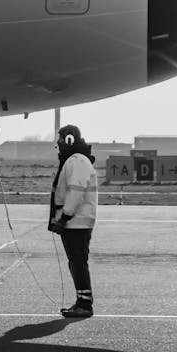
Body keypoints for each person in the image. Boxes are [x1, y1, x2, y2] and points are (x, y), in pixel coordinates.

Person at [48, 124, 99, 318]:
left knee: (78, 262)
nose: (59, 146)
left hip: (77, 222)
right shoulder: (74, 160)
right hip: (75, 221)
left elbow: (76, 191)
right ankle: (82, 301)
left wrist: (65, 217)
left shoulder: (77, 161)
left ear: (69, 140)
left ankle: (85, 305)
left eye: (60, 141)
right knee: (75, 262)